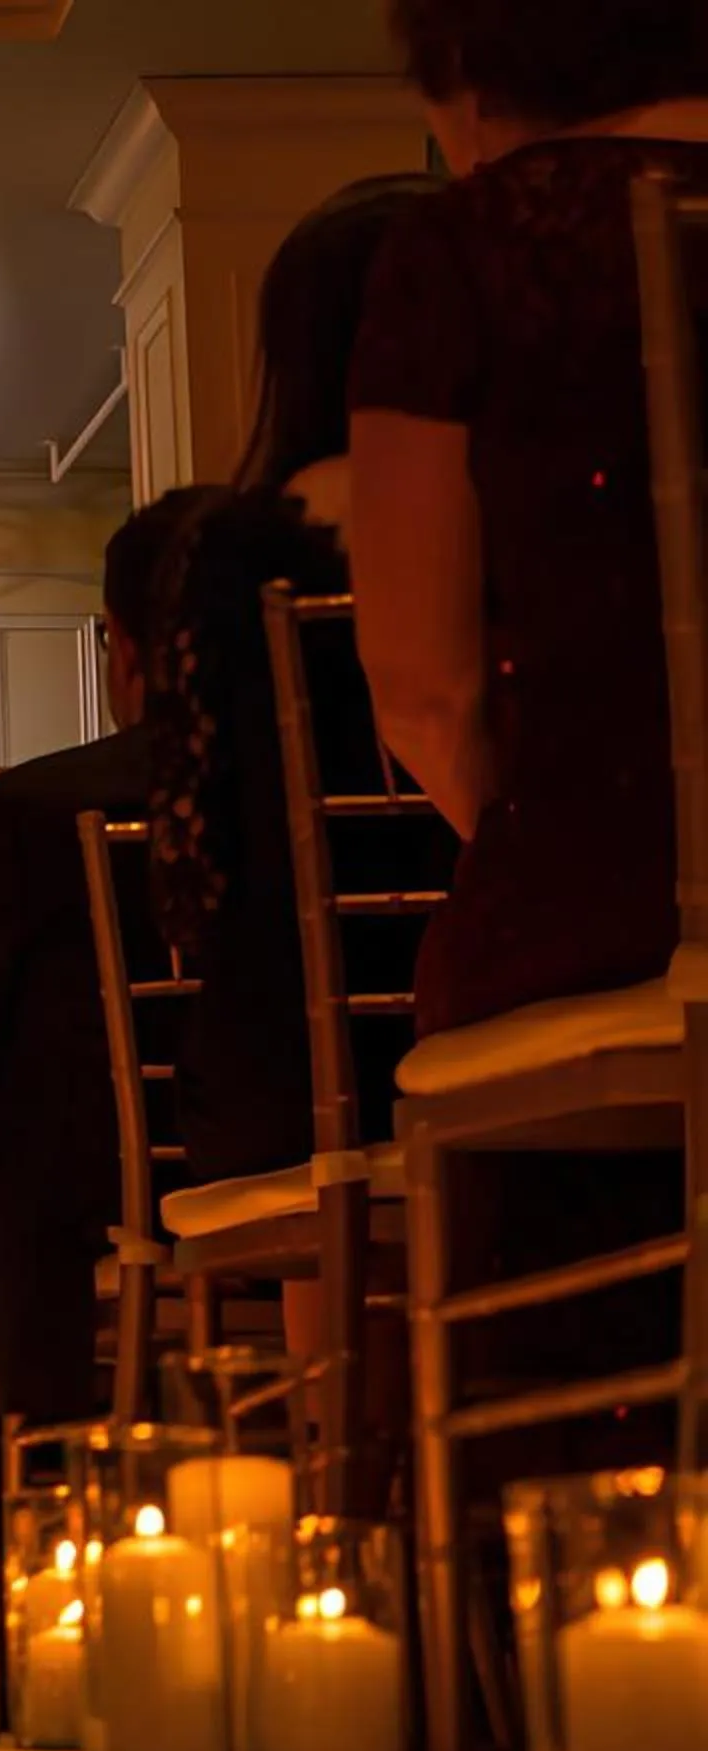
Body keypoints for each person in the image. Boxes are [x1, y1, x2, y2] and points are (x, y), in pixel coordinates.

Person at [350, 0, 708, 1035]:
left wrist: (532, 838)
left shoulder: (469, 249)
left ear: (469, 59)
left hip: (601, 905)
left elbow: (422, 692)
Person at [0, 491, 222, 1423]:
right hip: (321, 1140)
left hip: (96, 1206)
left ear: (123, 647)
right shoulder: (360, 764)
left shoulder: (37, 808)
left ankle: (19, 1479)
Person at [155, 178, 443, 1189]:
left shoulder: (236, 552)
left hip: (293, 1064)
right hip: (504, 991)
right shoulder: (529, 501)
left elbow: (193, 883)